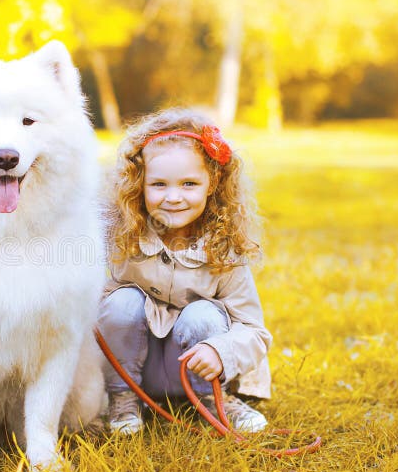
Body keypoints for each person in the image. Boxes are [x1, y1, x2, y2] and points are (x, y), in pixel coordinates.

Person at [100, 107, 272, 435]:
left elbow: (254, 330)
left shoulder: (225, 248)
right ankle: (122, 399)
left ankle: (211, 398)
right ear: (140, 184)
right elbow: (94, 316)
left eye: (189, 183)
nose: (174, 197)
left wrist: (219, 350)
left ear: (213, 183)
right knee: (120, 304)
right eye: (159, 184)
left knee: (203, 315)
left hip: (197, 367)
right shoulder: (121, 240)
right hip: (135, 369)